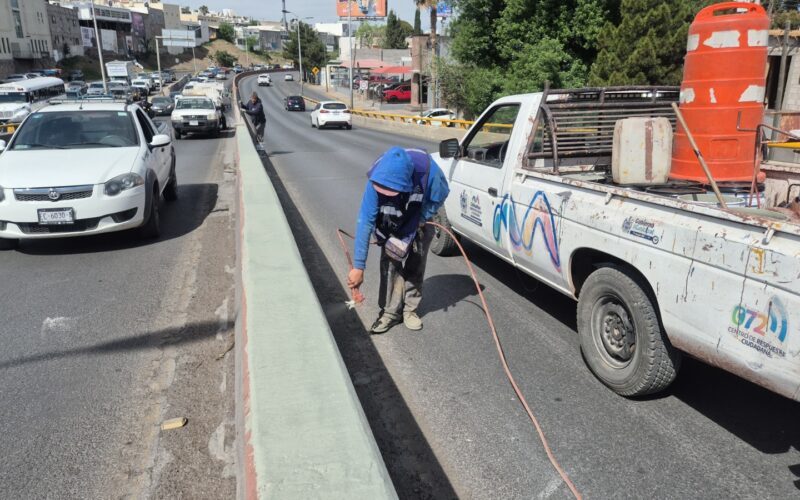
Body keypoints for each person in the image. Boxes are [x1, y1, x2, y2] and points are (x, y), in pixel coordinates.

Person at [347, 146, 450, 334]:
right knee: (390, 263)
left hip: (418, 216)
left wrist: (421, 219)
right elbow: (365, 221)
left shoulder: (429, 173)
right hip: (391, 220)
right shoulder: (378, 176)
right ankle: (390, 313)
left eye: (390, 191)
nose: (384, 194)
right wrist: (358, 267)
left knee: (416, 263)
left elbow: (440, 196)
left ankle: (410, 309)